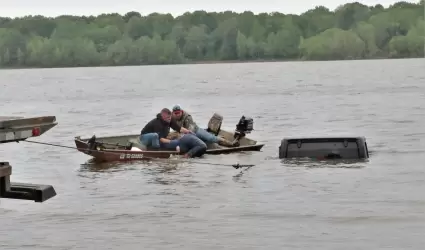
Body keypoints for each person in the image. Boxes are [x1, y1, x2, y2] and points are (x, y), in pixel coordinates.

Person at [171, 105, 238, 147]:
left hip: (195, 131)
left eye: (178, 113)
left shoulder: (187, 117)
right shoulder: (171, 117)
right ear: (173, 113)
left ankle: (231, 144)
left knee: (211, 139)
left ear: (181, 111)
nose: (177, 115)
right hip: (183, 133)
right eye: (175, 113)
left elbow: (190, 131)